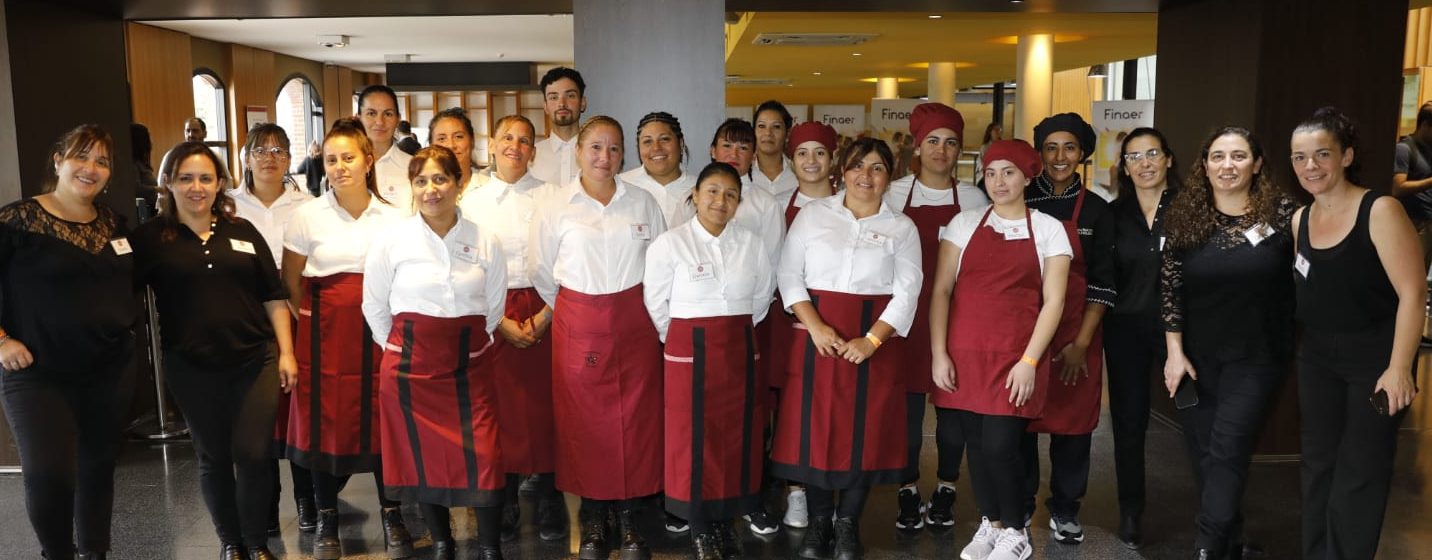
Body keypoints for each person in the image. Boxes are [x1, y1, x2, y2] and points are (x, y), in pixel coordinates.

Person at [132, 142, 296, 560]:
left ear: (220, 183)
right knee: (214, 456)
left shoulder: (242, 230)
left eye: (206, 178)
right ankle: (231, 543)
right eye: (185, 178)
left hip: (255, 360)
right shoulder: (149, 239)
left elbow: (273, 295)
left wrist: (287, 353)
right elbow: (113, 290)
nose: (196, 187)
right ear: (168, 183)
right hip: (191, 366)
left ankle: (256, 543)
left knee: (254, 454)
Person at [772, 137, 922, 560]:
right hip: (818, 338)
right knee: (816, 431)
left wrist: (872, 340)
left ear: (889, 176)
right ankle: (820, 521)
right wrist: (815, 326)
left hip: (874, 341)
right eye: (858, 166)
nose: (866, 176)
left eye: (877, 168)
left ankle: (847, 524)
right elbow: (789, 274)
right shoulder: (814, 215)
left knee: (864, 434)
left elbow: (908, 291)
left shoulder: (902, 228)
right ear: (843, 171)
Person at [362, 145, 509, 560]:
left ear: (458, 184)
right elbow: (374, 305)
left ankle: (490, 548)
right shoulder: (392, 240)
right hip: (410, 371)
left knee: (485, 456)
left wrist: (463, 343)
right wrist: (401, 347)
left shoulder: (485, 239)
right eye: (421, 181)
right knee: (421, 459)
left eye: (441, 179)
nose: (431, 190)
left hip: (469, 366)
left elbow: (494, 307)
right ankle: (442, 544)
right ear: (412, 187)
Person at [531, 115, 667, 560]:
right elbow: (542, 271)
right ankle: (592, 518)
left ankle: (629, 519)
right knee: (583, 423)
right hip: (579, 321)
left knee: (635, 421)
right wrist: (578, 308)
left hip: (635, 321)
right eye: (595, 147)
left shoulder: (643, 202)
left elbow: (661, 264)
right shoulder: (556, 206)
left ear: (622, 154)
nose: (604, 157)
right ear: (578, 152)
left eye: (613, 148)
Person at [0, 124, 138, 560]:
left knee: (97, 468)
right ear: (58, 160)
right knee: (49, 474)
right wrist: (1, 340)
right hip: (38, 373)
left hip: (108, 369)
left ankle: (95, 553)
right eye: (81, 156)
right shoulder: (17, 220)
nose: (90, 168)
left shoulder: (114, 223)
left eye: (102, 161)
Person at [1290, 107, 1423, 560]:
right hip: (1316, 358)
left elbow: (1412, 293)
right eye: (1300, 157)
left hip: (1375, 358)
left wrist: (1400, 368)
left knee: (1360, 470)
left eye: (1322, 154)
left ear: (1346, 156)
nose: (1310, 166)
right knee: (1318, 466)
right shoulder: (1300, 219)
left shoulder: (1380, 210)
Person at [930, 139, 1071, 560]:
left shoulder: (1048, 229)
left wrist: (1029, 361)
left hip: (1016, 356)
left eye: (1008, 172)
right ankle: (990, 525)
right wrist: (939, 353)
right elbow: (941, 290)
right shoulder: (964, 224)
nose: (998, 182)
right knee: (975, 446)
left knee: (999, 446)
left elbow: (1054, 302)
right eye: (990, 173)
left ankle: (1016, 531)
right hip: (964, 353)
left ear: (1027, 177)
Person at [1161, 126, 1296, 560]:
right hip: (1197, 360)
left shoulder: (1284, 215)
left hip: (1258, 358)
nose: (1227, 165)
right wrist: (1175, 353)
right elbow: (1171, 290)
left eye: (1238, 156)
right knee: (1205, 453)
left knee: (1227, 448)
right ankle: (1230, 542)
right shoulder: (1185, 217)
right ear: (1204, 166)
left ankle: (1206, 546)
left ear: (1257, 164)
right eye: (1217, 156)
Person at [280, 118, 411, 560]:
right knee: (324, 425)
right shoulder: (307, 215)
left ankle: (392, 514)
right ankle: (327, 518)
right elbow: (291, 282)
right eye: (332, 159)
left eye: (349, 158)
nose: (339, 167)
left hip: (380, 330)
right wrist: (313, 323)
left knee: (384, 419)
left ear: (368, 161)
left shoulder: (395, 217)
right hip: (324, 336)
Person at [643, 161, 776, 560]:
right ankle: (700, 527)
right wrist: (678, 340)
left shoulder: (751, 243)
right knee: (692, 438)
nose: (721, 201)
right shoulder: (671, 243)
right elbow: (656, 301)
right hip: (689, 348)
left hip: (738, 346)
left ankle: (728, 519)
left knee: (737, 434)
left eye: (731, 194)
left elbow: (762, 295)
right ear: (695, 195)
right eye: (713, 191)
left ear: (739, 202)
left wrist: (734, 328)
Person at [459, 113, 569, 543]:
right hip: (493, 307)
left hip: (547, 304)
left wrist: (547, 314)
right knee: (497, 407)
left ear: (533, 151)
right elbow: (465, 264)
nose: (515, 147)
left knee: (547, 406)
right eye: (507, 137)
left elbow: (568, 258)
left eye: (524, 141)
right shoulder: (473, 201)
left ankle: (551, 496)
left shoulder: (554, 196)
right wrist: (498, 321)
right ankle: (502, 495)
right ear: (491, 144)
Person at [880, 102, 989, 532]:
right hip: (905, 318)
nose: (941, 151)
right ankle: (906, 487)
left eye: (950, 143)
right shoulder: (893, 194)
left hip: (958, 318)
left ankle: (946, 486)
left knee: (952, 415)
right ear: (917, 146)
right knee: (905, 416)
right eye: (932, 142)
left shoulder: (974, 198)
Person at [1020, 113, 1116, 546]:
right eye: (1051, 148)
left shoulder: (1097, 209)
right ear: (1039, 153)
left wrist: (1081, 343)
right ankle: (1020, 502)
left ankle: (1065, 507)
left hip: (1078, 331)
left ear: (1083, 154)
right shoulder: (1022, 197)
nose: (1060, 157)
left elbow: (1103, 283)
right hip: (1024, 330)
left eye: (1070, 147)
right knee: (1018, 420)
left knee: (1073, 426)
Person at [697, 117, 786, 535]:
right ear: (712, 150)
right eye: (727, 146)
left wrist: (743, 323)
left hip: (749, 325)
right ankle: (694, 499)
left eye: (744, 147)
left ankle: (750, 498)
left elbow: (770, 272)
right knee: (699, 416)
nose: (735, 154)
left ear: (753, 156)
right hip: (696, 330)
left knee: (749, 415)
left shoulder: (765, 205)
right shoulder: (695, 194)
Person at [227, 124, 316, 537]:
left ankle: (307, 499)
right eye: (260, 150)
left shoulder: (308, 205)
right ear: (245, 157)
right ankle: (266, 505)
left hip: (295, 313)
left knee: (299, 409)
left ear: (289, 159)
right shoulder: (226, 205)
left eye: (279, 150)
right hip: (244, 316)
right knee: (257, 413)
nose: (269, 158)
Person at [1104, 126, 1179, 549]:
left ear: (1168, 158)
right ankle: (1131, 511)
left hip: (1182, 332)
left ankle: (1223, 516)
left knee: (1203, 423)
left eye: (1152, 153)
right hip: (1126, 332)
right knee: (1129, 423)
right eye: (1134, 156)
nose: (1144, 163)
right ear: (1125, 166)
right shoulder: (1114, 215)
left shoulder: (1190, 208)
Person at [767, 121, 839, 530]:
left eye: (820, 153)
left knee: (834, 409)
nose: (811, 161)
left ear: (833, 159)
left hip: (838, 321)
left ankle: (830, 487)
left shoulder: (850, 202)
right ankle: (795, 491)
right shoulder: (777, 205)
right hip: (788, 320)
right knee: (792, 408)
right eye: (802, 153)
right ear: (791, 160)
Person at [621, 111, 696, 225]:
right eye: (647, 141)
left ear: (681, 143)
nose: (656, 148)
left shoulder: (700, 188)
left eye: (664, 139)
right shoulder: (621, 185)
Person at [358, 85, 416, 214]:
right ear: (359, 118)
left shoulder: (413, 166)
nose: (380, 122)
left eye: (388, 114)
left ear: (398, 119)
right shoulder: (347, 166)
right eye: (371, 113)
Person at [1392, 101, 1432, 270]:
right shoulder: (1405, 149)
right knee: (1411, 271)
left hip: (1427, 222)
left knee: (1421, 273)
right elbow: (1397, 188)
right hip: (1414, 224)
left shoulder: (1429, 150)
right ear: (1425, 125)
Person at [531, 67, 586, 186]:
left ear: (582, 103)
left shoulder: (598, 155)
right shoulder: (532, 156)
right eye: (553, 97)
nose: (562, 104)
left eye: (570, 96)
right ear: (545, 106)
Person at [751, 100, 798, 199]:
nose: (768, 133)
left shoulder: (799, 173)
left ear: (787, 134)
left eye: (776, 127)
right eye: (761, 126)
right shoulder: (744, 173)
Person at [429, 108, 480, 191]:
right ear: (431, 146)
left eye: (458, 137)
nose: (451, 145)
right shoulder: (422, 191)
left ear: (472, 141)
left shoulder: (492, 187)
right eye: (442, 139)